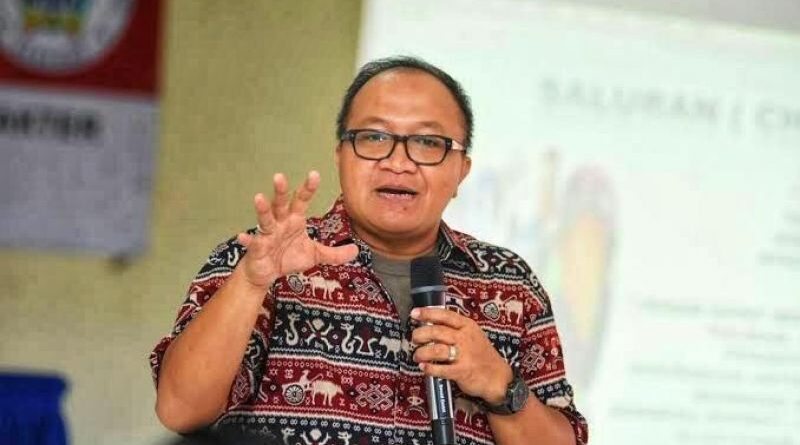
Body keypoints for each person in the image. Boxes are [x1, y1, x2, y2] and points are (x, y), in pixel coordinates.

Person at [150, 56, 588, 445]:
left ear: (461, 171)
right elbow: (180, 410)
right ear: (340, 155)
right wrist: (251, 283)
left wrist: (499, 384)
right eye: (374, 137)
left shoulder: (509, 285)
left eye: (427, 143)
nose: (398, 162)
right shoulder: (259, 259)